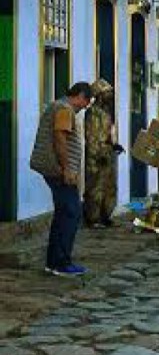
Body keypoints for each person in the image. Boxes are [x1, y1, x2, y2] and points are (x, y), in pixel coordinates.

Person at [30, 82, 92, 277]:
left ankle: (53, 262)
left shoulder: (57, 106)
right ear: (80, 95)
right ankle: (61, 262)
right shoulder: (65, 109)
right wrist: (66, 169)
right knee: (71, 213)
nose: (85, 106)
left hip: (54, 168)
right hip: (58, 170)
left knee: (63, 213)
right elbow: (60, 139)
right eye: (86, 101)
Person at [83, 79, 121, 228]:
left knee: (109, 186)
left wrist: (114, 145)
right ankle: (93, 218)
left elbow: (106, 133)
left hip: (108, 152)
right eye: (107, 93)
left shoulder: (106, 112)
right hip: (97, 156)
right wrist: (98, 155)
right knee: (95, 188)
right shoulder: (93, 112)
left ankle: (106, 215)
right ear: (99, 95)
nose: (110, 95)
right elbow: (92, 136)